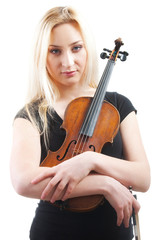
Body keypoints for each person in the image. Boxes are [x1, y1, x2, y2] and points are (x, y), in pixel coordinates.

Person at [10, 6, 150, 240]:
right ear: (41, 55)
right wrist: (104, 183)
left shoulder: (119, 105)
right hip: (53, 231)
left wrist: (90, 159)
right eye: (55, 51)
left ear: (88, 48)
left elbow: (143, 177)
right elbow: (25, 182)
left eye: (76, 48)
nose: (68, 62)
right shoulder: (31, 115)